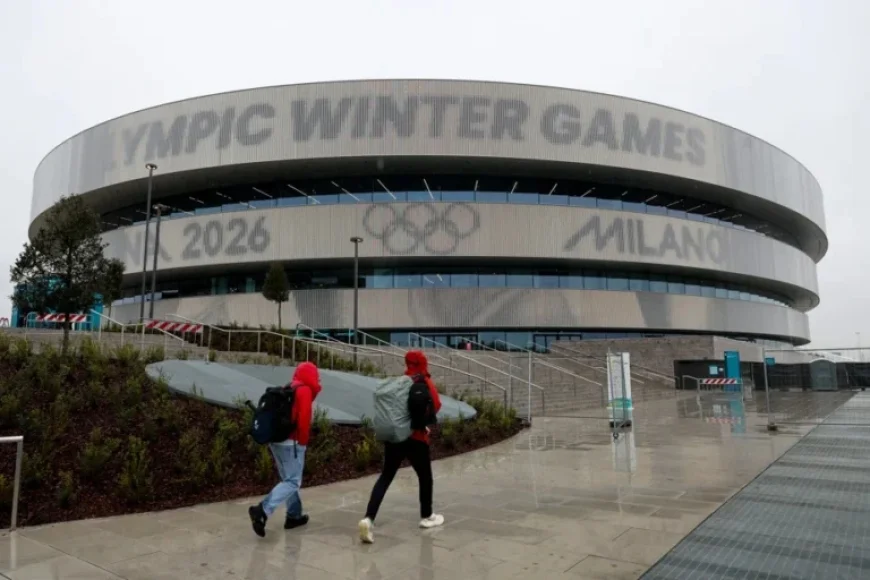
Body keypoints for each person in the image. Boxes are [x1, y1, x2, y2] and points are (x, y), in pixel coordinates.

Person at [358, 350, 445, 543]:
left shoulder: (400, 382)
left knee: (386, 477)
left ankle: (368, 518)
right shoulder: (423, 381)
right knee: (425, 477)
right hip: (416, 437)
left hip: (395, 437)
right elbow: (436, 405)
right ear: (423, 363)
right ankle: (427, 516)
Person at [248, 361, 321, 538]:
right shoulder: (304, 391)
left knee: (287, 479)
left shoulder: (289, 387)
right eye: (317, 375)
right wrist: (302, 443)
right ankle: (262, 510)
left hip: (277, 440)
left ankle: (294, 516)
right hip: (292, 443)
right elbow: (303, 422)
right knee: (293, 481)